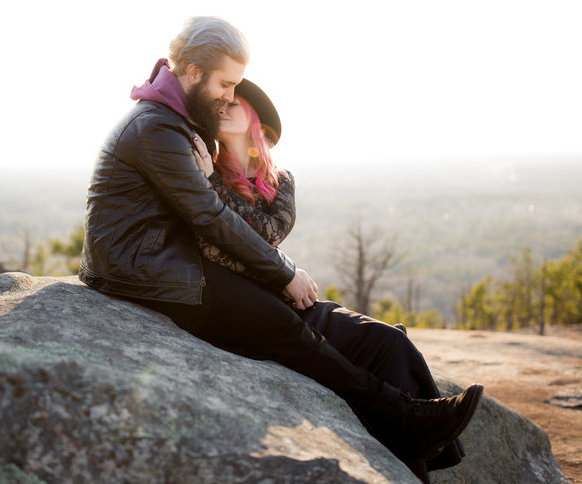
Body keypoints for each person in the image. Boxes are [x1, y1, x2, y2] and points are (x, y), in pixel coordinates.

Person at [79, 16, 483, 471]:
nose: (231, 96)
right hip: (141, 270)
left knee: (312, 324)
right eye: (226, 84)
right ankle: (403, 416)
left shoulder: (174, 121)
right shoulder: (156, 128)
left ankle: (406, 411)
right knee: (284, 328)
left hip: (168, 261)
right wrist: (285, 272)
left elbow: (223, 218)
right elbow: (210, 217)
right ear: (192, 72)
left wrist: (280, 270)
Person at [192, 79, 467, 482]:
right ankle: (417, 452)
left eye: (235, 102)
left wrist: (280, 268)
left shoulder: (280, 180)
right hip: (247, 305)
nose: (224, 106)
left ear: (258, 121)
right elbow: (214, 245)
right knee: (369, 356)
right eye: (221, 103)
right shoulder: (205, 174)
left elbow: (268, 231)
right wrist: (208, 187)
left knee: (391, 342)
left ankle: (418, 458)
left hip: (284, 296)